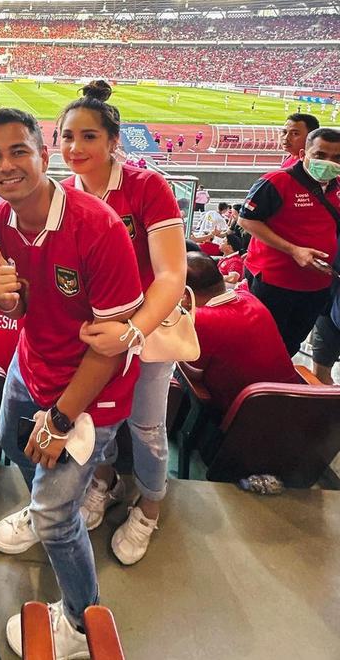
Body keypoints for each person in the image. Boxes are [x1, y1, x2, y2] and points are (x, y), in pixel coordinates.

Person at [0, 107, 144, 658]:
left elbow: (108, 346)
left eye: (18, 150)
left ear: (44, 157)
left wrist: (58, 419)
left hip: (93, 389)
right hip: (34, 364)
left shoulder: (97, 228)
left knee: (55, 518)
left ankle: (79, 621)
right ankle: (48, 497)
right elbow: (26, 302)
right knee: (8, 439)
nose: (7, 165)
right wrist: (10, 298)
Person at [58, 80, 186, 565]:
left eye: (89, 136)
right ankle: (106, 480)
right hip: (95, 337)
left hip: (146, 331)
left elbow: (172, 272)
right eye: (67, 136)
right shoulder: (63, 192)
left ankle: (151, 504)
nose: (75, 147)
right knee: (102, 416)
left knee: (147, 424)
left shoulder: (147, 186)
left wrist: (132, 331)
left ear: (114, 141)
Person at [239, 127, 340, 356]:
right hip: (275, 282)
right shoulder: (276, 182)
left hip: (318, 286)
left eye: (337, 158)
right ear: (304, 154)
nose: (329, 163)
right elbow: (247, 221)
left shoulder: (338, 187)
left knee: (291, 345)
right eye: (320, 155)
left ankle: (278, 386)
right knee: (261, 344)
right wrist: (293, 250)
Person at [185, 253, 300, 413]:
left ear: (185, 295)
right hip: (295, 407)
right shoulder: (249, 298)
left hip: (243, 418)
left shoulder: (202, 319)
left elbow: (192, 375)